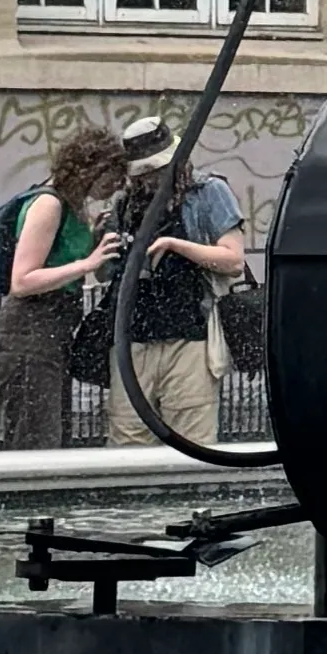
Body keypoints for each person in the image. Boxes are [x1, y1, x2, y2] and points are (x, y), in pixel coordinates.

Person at [102, 115, 251, 447]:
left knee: (191, 438)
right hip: (133, 337)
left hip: (190, 336)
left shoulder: (207, 192)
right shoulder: (125, 203)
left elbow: (233, 261)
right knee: (128, 437)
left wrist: (175, 246)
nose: (152, 179)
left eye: (158, 170)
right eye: (145, 173)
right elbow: (107, 273)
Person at [0, 125, 129, 447]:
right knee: (36, 437)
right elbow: (22, 280)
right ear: (90, 169)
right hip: (29, 331)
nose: (115, 186)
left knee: (53, 434)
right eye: (111, 177)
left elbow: (60, 256)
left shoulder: (73, 205)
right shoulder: (48, 204)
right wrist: (88, 263)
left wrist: (93, 238)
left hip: (54, 331)